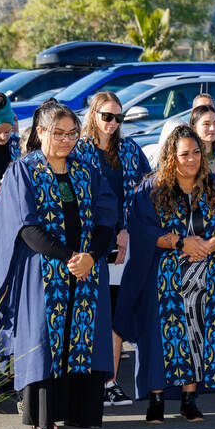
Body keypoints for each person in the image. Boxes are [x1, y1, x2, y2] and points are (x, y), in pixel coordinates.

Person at [0, 104, 118, 429]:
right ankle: (44, 414)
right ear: (40, 132)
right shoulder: (23, 170)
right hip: (42, 271)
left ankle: (81, 413)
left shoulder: (86, 170)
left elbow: (107, 217)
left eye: (72, 134)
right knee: (44, 339)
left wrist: (90, 256)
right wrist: (71, 256)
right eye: (59, 133)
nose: (66, 140)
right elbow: (25, 226)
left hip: (87, 271)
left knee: (83, 336)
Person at [114, 124, 215, 423]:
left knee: (199, 333)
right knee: (160, 338)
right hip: (165, 278)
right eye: (184, 154)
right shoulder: (152, 189)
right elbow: (143, 231)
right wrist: (182, 242)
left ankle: (188, 400)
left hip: (208, 275)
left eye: (196, 152)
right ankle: (156, 400)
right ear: (171, 156)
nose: (192, 159)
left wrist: (209, 245)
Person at [74, 91, 151, 408]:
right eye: (107, 116)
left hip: (126, 245)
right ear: (93, 115)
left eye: (118, 117)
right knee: (92, 314)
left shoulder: (130, 150)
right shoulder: (78, 151)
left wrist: (128, 233)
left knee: (117, 314)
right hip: (91, 245)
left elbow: (146, 194)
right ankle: (87, 382)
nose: (113, 123)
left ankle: (110, 381)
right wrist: (111, 235)